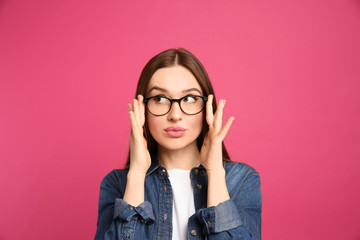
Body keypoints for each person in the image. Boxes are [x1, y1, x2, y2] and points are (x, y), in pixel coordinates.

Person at [94, 48, 262, 240]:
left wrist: (215, 173)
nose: (175, 115)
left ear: (207, 107)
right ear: (142, 109)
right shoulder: (117, 184)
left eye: (190, 99)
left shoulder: (241, 180)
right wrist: (137, 174)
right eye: (159, 99)